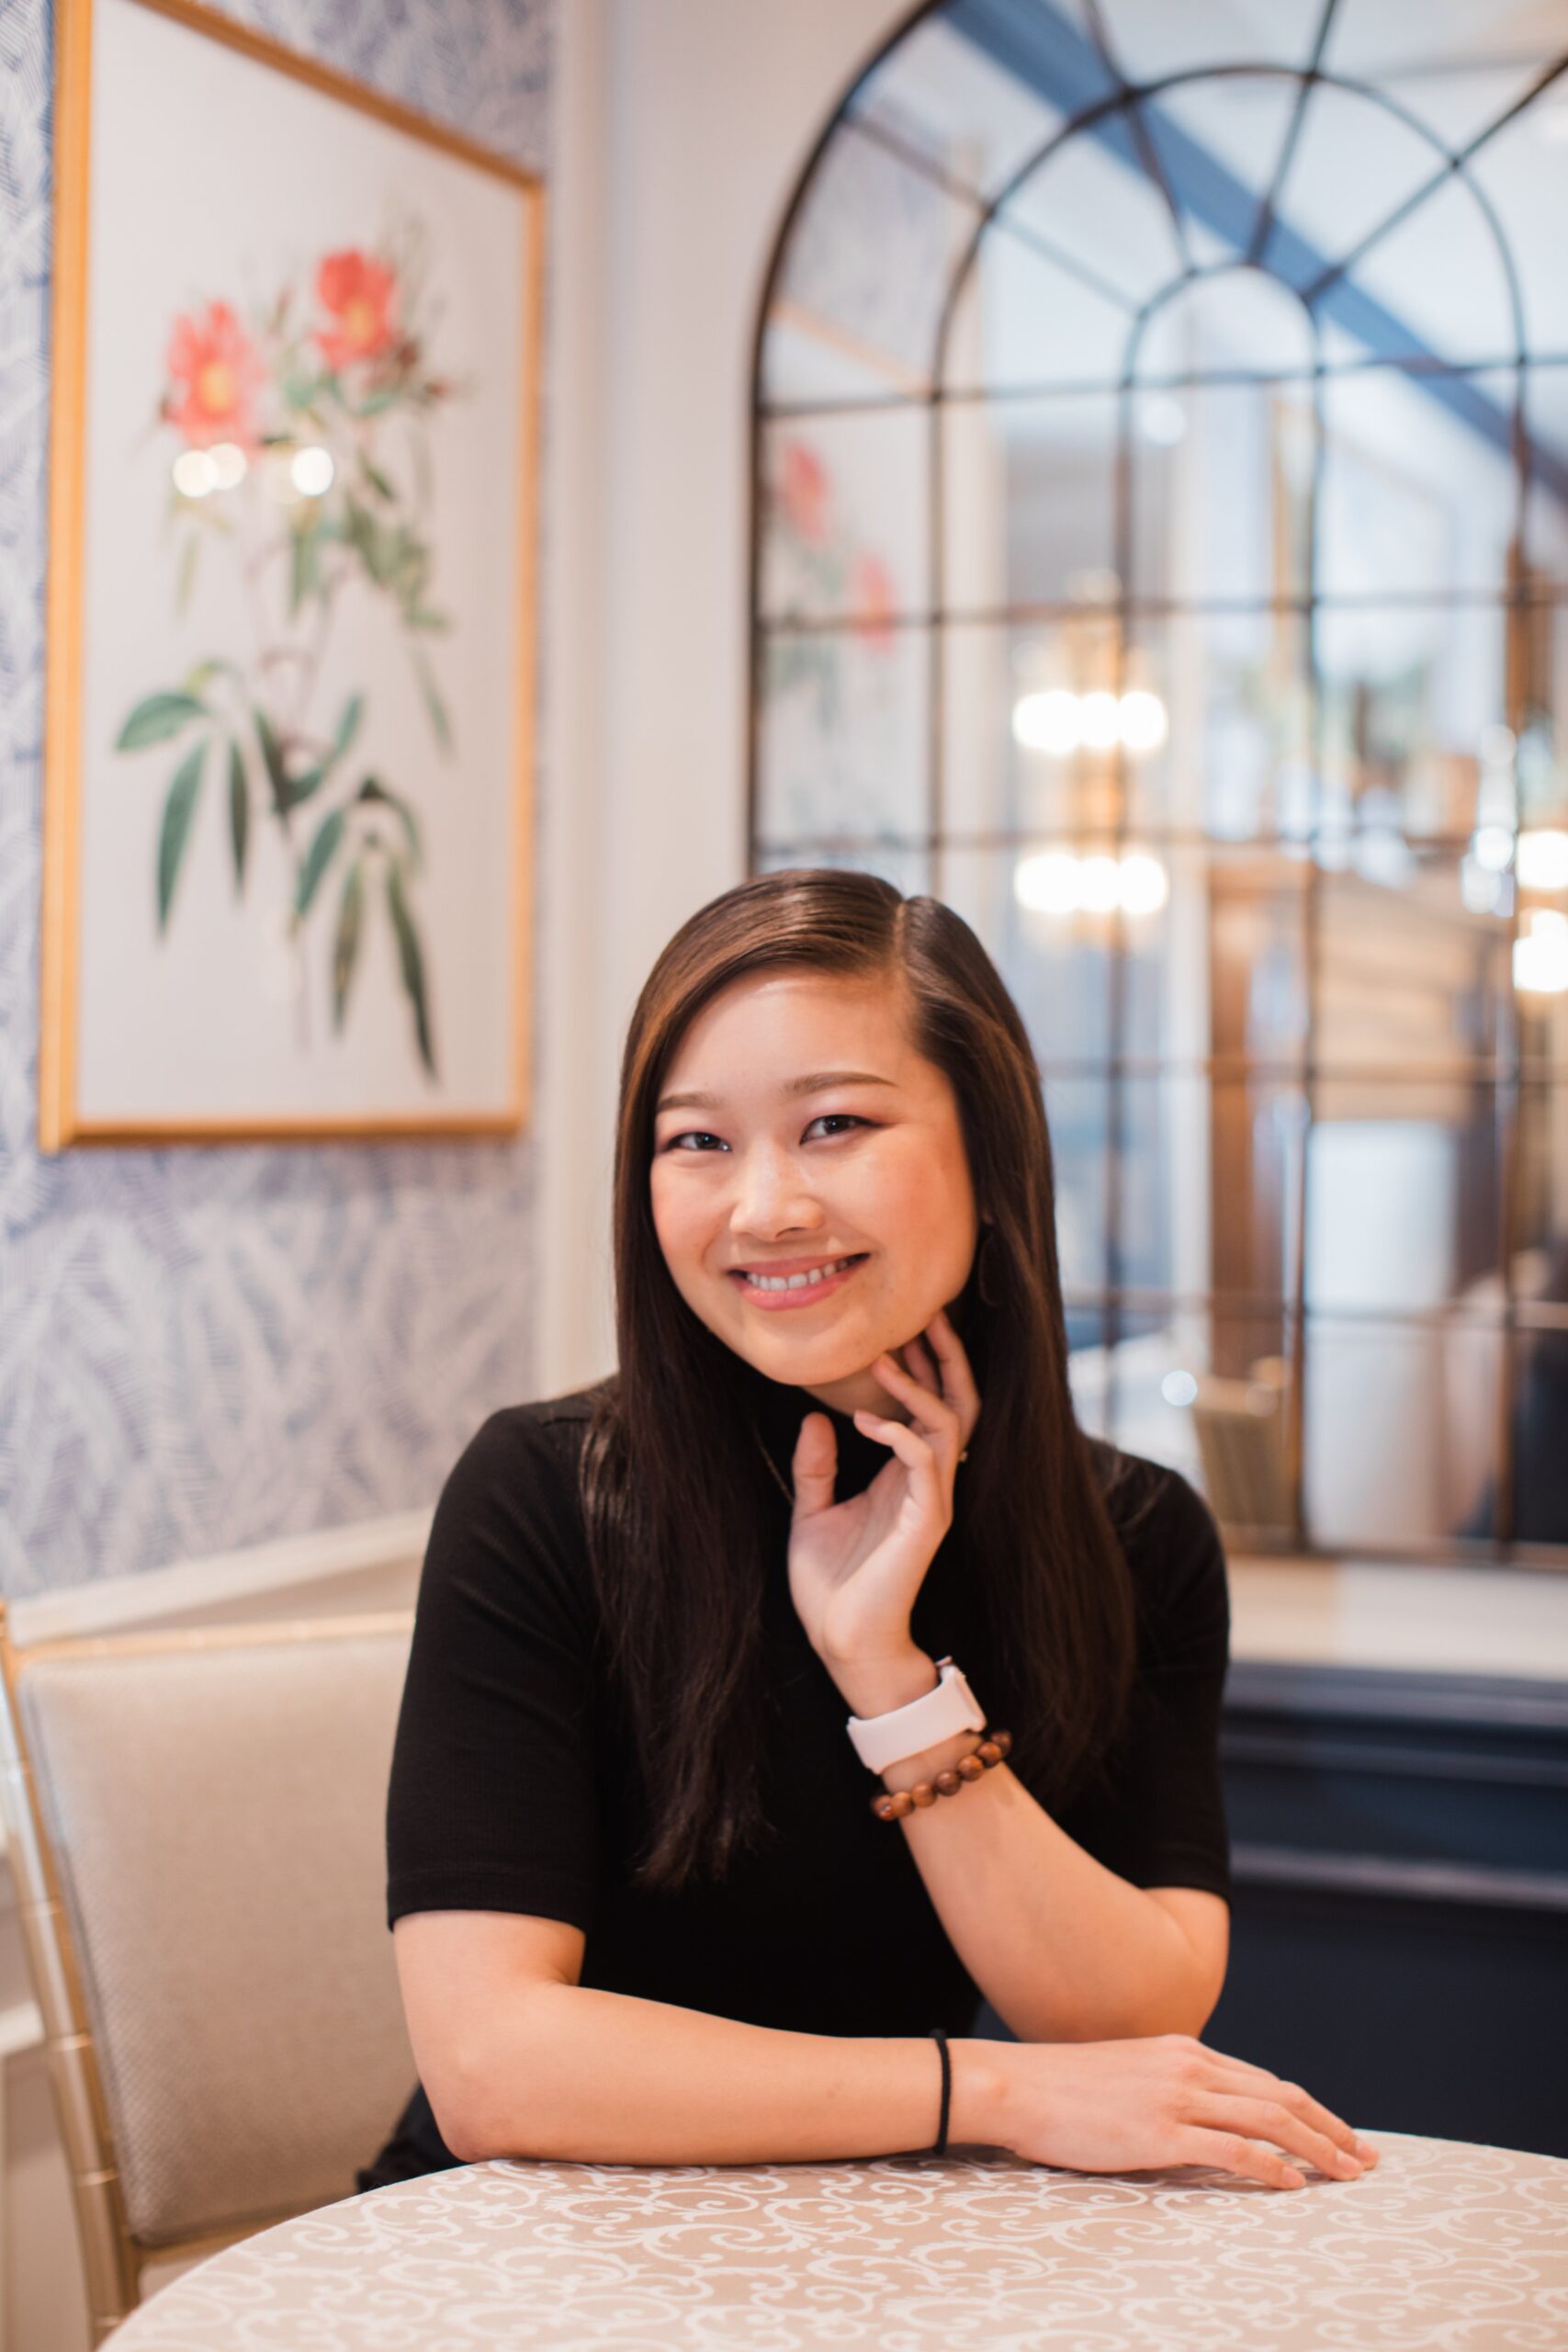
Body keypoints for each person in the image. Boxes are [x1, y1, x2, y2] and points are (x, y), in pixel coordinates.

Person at [361, 868, 1377, 2193]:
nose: (765, 1206)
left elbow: (1136, 2017)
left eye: (834, 1124)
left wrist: (888, 1677)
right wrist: (992, 2091)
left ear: (990, 1154)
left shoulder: (1133, 1534)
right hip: (526, 2253)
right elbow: (493, 2069)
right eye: (697, 1142)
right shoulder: (549, 1495)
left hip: (884, 2253)